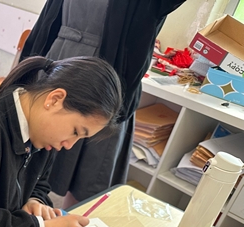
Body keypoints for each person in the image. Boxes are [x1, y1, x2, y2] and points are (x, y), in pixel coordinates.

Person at [0, 56, 122, 227]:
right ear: (55, 99)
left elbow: (40, 184)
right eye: (75, 131)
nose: (69, 145)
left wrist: (35, 201)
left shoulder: (42, 133)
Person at [19, 0, 187, 208]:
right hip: (60, 62)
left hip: (108, 76)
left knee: (90, 177)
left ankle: (66, 222)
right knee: (30, 161)